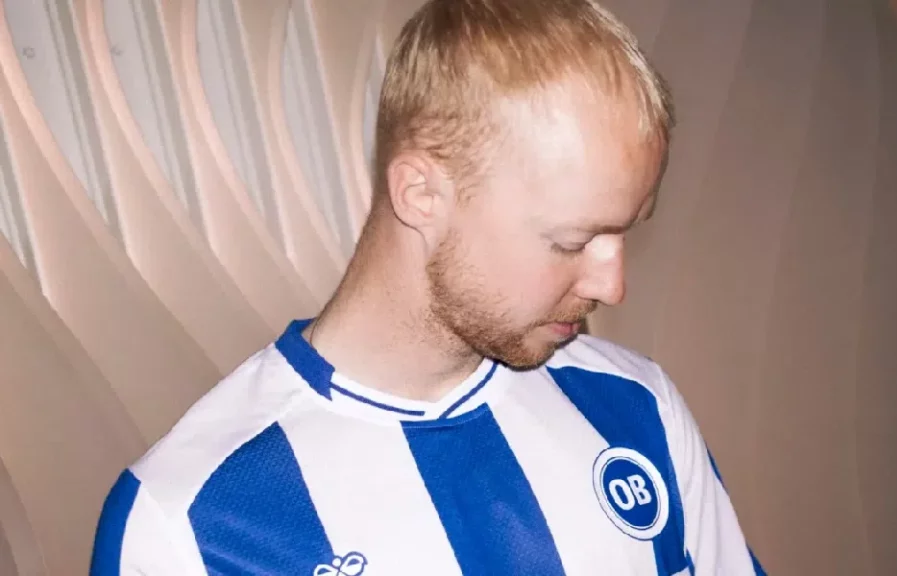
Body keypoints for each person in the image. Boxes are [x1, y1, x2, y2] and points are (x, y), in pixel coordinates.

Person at [90, 0, 765, 574]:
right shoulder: (188, 522)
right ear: (421, 194)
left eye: (624, 234)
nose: (612, 285)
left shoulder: (637, 405)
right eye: (570, 241)